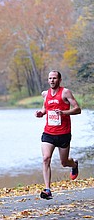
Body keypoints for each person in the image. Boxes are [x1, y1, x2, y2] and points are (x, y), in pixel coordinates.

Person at [35, 70, 81, 200]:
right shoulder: (46, 94)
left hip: (63, 133)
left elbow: (78, 109)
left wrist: (64, 113)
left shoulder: (65, 92)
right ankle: (48, 189)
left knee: (64, 162)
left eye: (54, 78)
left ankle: (74, 165)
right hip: (48, 133)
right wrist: (41, 113)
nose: (52, 80)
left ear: (59, 80)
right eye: (50, 78)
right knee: (46, 158)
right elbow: (45, 109)